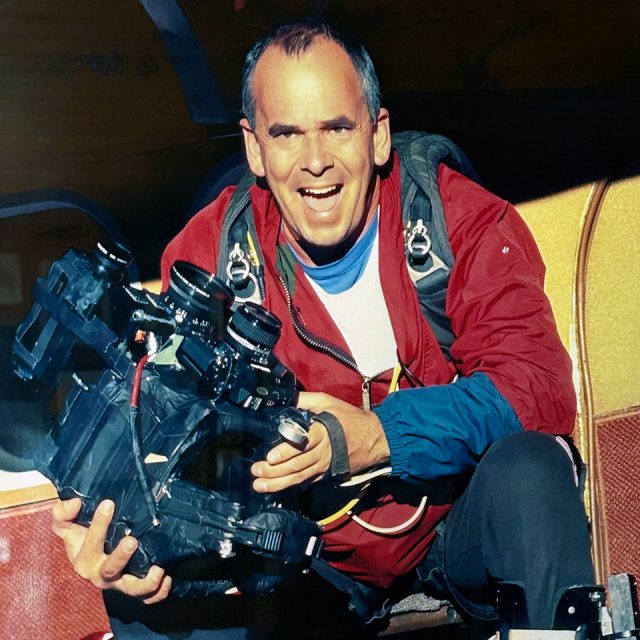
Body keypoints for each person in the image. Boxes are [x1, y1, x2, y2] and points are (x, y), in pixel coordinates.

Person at [52, 18, 596, 639]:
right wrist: (127, 551)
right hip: (302, 563)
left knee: (532, 467)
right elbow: (162, 439)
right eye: (287, 134)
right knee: (143, 606)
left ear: (378, 135)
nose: (315, 163)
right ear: (255, 149)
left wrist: (376, 437)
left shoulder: (457, 219)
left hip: (456, 528)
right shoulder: (208, 259)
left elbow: (538, 388)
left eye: (337, 128)